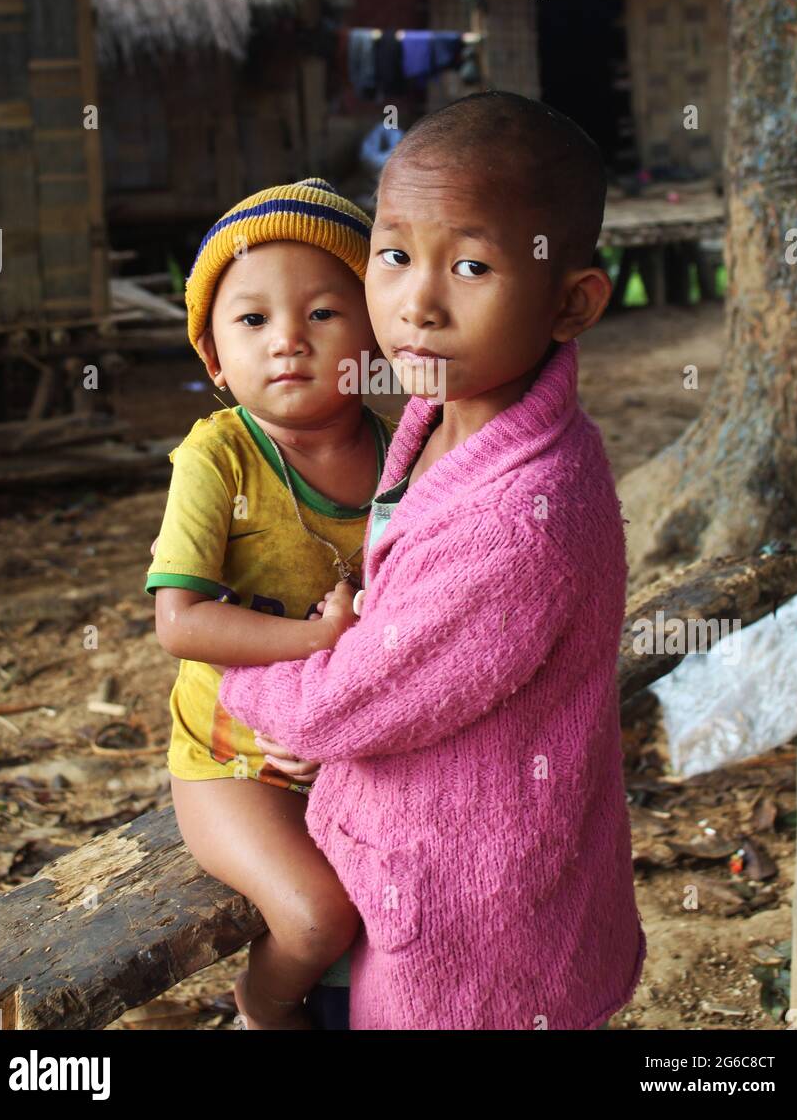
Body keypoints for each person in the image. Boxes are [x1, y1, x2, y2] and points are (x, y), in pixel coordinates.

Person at [216, 92, 648, 1030]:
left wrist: (238, 676)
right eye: (396, 255)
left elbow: (348, 700)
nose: (418, 302)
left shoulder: (517, 526)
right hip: (427, 864)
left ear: (572, 301)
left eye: (472, 265)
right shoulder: (437, 424)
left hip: (470, 925)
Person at [146, 178, 396, 1030]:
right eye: (252, 320)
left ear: (379, 334)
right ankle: (263, 1003)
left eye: (324, 314)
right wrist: (316, 635)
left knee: (424, 895)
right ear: (214, 358)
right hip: (235, 756)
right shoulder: (216, 459)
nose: (288, 340)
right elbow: (179, 622)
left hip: (356, 736)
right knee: (320, 914)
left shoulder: (406, 454)